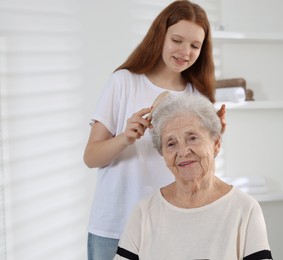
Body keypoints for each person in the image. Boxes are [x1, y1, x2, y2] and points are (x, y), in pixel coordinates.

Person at [83, 1, 226, 259]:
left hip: (172, 224)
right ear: (161, 35)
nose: (185, 51)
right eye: (177, 40)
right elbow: (91, 157)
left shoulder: (198, 96)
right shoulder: (124, 82)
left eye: (195, 46)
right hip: (115, 225)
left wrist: (214, 141)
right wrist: (125, 138)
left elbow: (196, 168)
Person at [115, 94, 272, 260]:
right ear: (163, 154)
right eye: (171, 143)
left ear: (216, 144)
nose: (183, 152)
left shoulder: (244, 209)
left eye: (192, 138)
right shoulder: (144, 212)